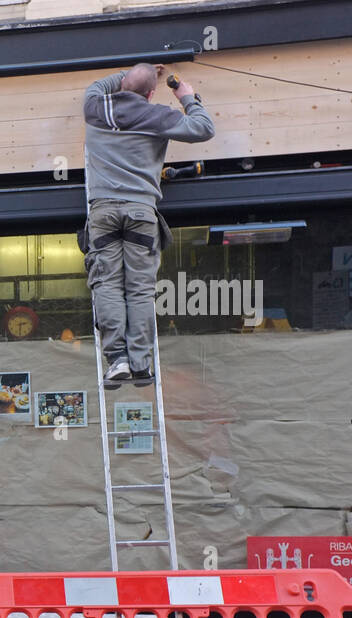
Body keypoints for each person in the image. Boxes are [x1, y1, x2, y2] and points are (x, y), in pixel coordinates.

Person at [83, 64, 214, 388]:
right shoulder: (158, 115)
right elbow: (204, 128)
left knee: (108, 285)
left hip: (103, 211)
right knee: (139, 290)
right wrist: (186, 96)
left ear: (121, 85)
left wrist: (131, 74)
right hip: (141, 211)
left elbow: (98, 84)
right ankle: (141, 365)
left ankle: (117, 361)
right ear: (151, 93)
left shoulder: (96, 106)